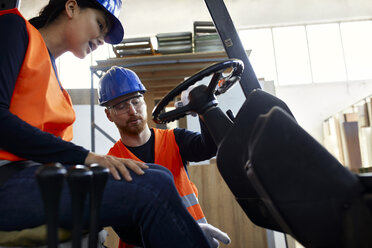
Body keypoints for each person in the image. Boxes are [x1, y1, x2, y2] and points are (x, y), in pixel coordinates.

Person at [0, 0, 216, 247]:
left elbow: (205, 148)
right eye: (100, 24)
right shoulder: (12, 27)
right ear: (71, 8)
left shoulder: (50, 70)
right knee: (153, 185)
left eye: (135, 102)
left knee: (159, 175)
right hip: (8, 180)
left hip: (40, 175)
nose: (102, 40)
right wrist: (87, 157)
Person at [98, 66, 231, 248]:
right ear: (109, 115)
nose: (132, 110)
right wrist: (180, 232)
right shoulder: (112, 163)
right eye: (121, 106)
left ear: (144, 103)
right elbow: (127, 231)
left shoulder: (174, 139)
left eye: (136, 101)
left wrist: (204, 110)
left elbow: (209, 148)